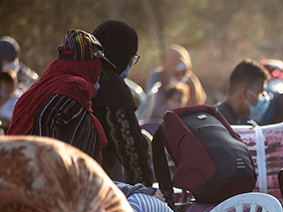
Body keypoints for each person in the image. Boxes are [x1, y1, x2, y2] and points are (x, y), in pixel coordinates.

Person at [7, 29, 109, 162]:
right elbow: (46, 116)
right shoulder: (76, 86)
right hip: (49, 177)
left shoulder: (47, 84)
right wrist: (53, 165)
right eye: (97, 65)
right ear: (89, 65)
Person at [91, 20, 154, 187]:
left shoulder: (81, 75)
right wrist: (148, 198)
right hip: (92, 185)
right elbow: (132, 153)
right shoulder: (111, 87)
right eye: (132, 57)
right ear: (124, 55)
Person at [138, 44, 207, 121]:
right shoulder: (157, 76)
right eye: (177, 73)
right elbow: (157, 105)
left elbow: (199, 101)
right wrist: (177, 115)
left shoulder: (190, 79)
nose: (181, 76)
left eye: (184, 72)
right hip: (160, 121)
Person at [215, 59, 271, 125]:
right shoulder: (216, 122)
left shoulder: (246, 123)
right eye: (260, 92)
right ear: (244, 94)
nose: (264, 97)